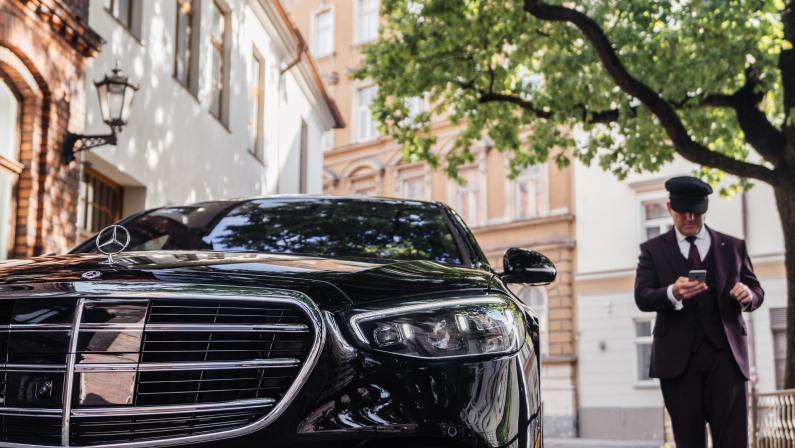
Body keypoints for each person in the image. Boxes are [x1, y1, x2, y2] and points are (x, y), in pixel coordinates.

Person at [634, 176, 764, 448]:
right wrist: (672, 292)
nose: (690, 218)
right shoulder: (652, 250)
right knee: (688, 441)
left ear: (705, 208)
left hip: (727, 357)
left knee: (733, 440)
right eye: (683, 212)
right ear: (670, 208)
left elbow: (756, 290)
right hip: (678, 363)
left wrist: (748, 295)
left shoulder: (734, 246)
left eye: (697, 211)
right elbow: (642, 296)